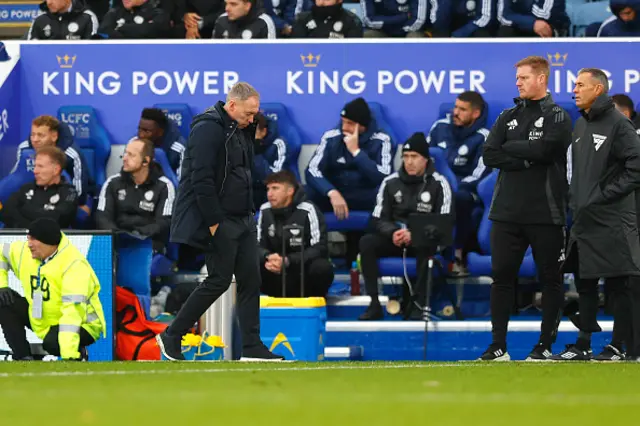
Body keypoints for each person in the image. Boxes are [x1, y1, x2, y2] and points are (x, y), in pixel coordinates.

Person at [156, 82, 283, 361]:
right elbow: (200, 179)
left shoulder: (239, 129)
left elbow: (244, 171)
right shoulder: (207, 128)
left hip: (244, 216)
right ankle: (172, 334)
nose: (253, 119)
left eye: (255, 115)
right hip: (220, 220)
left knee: (252, 280)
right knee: (219, 280)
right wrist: (214, 223)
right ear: (233, 105)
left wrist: (249, 129)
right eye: (249, 114)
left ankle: (252, 347)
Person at [480, 56, 572, 362]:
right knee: (501, 277)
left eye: (523, 78)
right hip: (506, 212)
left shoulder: (558, 116)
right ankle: (498, 346)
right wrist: (525, 157)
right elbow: (490, 154)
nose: (517, 82)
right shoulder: (507, 115)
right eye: (517, 77)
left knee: (550, 279)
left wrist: (512, 148)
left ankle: (544, 345)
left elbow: (548, 150)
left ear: (541, 79)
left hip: (546, 212)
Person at [550, 69, 640, 362]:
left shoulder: (619, 124)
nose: (574, 90)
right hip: (584, 218)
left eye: (580, 85)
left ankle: (618, 345)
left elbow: (636, 167)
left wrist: (604, 195)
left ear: (598, 89)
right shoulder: (580, 125)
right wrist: (576, 200)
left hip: (613, 218)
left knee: (618, 285)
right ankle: (583, 344)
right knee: (584, 281)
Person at [359, 133, 453, 320]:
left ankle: (418, 305)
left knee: (426, 245)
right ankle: (374, 304)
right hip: (395, 239)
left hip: (422, 241)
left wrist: (415, 233)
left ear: (426, 159)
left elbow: (445, 221)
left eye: (414, 157)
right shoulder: (390, 182)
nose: (409, 162)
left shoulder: (439, 184)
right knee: (366, 242)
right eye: (406, 157)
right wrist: (393, 232)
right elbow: (377, 218)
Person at [0, 218, 107, 360]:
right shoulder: (24, 252)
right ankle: (23, 358)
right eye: (28, 238)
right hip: (43, 318)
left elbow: (72, 312)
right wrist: (2, 284)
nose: (29, 244)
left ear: (49, 242)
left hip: (83, 324)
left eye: (33, 240)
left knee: (52, 344)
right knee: (3, 299)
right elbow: (2, 252)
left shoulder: (74, 265)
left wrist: (69, 354)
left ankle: (79, 352)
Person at [305, 97, 394, 266]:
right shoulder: (331, 136)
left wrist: (356, 152)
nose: (344, 127)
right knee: (305, 195)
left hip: (365, 195)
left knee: (386, 198)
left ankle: (366, 258)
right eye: (343, 122)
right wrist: (330, 192)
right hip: (336, 192)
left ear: (363, 125)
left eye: (350, 123)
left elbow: (383, 177)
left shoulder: (382, 139)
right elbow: (311, 170)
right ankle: (315, 257)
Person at [427, 91, 490, 275]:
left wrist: (450, 188)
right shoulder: (440, 127)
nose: (455, 112)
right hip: (434, 186)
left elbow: (479, 175)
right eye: (455, 107)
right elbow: (424, 156)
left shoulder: (484, 137)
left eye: (462, 109)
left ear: (476, 113)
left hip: (466, 190)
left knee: (459, 199)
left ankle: (457, 254)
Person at [257, 171, 334, 297]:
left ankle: (314, 301)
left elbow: (319, 248)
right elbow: (256, 245)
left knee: (321, 268)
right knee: (247, 263)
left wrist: (288, 260)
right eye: (268, 189)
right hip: (275, 270)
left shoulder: (308, 210)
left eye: (275, 188)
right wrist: (268, 256)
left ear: (290, 191)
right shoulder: (265, 210)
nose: (270, 194)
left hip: (300, 271)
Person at [96, 138, 175, 253]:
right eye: (125, 153)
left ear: (145, 161)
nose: (125, 158)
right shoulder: (112, 183)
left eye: (131, 155)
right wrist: (120, 236)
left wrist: (137, 236)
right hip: (117, 242)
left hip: (148, 244)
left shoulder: (164, 186)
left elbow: (164, 222)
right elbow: (102, 217)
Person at [12, 115, 91, 214]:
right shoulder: (24, 149)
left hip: (66, 196)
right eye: (33, 134)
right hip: (33, 194)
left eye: (41, 135)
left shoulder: (71, 154)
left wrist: (77, 202)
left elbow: (79, 188)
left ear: (54, 136)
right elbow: (16, 176)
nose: (35, 140)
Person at [1, 146, 78, 230]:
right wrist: (39, 218)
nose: (35, 171)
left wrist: (23, 207)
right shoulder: (26, 188)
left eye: (40, 166)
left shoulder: (69, 192)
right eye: (35, 166)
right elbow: (6, 213)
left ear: (56, 170)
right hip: (17, 241)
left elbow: (57, 219)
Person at [135, 108, 186, 179]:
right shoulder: (134, 143)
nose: (141, 135)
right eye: (139, 129)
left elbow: (182, 183)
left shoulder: (180, 148)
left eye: (146, 131)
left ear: (160, 132)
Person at [252, 112, 289, 209]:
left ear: (263, 132)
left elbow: (276, 178)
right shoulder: (234, 143)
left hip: (267, 192)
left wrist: (256, 152)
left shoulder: (278, 144)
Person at [27, 0, 98, 40]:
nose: (49, 3)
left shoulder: (87, 17)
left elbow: (91, 51)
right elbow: (31, 50)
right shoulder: (40, 20)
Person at [98, 0, 171, 39]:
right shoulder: (114, 13)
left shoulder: (158, 14)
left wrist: (121, 28)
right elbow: (103, 32)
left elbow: (148, 31)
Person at [292, 0, 363, 38]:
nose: (321, 2)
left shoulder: (352, 21)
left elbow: (353, 53)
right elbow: (297, 51)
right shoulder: (302, 20)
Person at [497, 0, 569, 37]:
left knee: (543, 29)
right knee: (505, 31)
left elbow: (544, 14)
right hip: (523, 25)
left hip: (549, 27)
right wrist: (531, 23)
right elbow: (503, 16)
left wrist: (515, 8)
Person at [360, 0, 427, 37]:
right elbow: (369, 20)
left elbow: (418, 20)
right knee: (367, 35)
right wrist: (403, 17)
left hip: (409, 30)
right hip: (382, 30)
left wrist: (401, 29)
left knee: (414, 38)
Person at [212, 0, 277, 38]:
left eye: (233, 4)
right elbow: (214, 52)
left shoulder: (263, 22)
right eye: (226, 4)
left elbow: (269, 54)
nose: (227, 8)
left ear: (247, 6)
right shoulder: (221, 20)